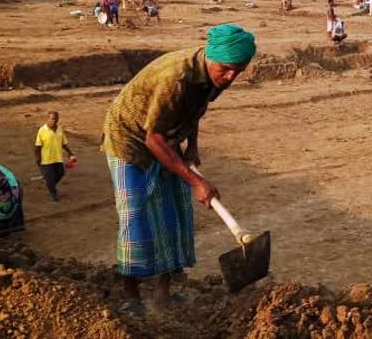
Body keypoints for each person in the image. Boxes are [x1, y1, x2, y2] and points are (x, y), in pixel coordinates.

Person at [101, 23, 256, 315]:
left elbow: (196, 109)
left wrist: (192, 147)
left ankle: (162, 295)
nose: (232, 76)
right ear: (211, 57)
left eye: (239, 70)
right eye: (226, 68)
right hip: (129, 139)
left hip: (167, 137)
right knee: (135, 217)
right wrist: (196, 182)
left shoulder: (216, 77)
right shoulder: (176, 78)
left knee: (172, 215)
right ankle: (131, 296)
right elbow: (152, 138)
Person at [35, 111, 76, 201]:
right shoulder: (42, 130)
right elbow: (38, 146)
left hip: (57, 158)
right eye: (52, 119)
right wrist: (38, 158)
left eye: (56, 119)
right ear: (47, 119)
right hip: (46, 160)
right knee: (50, 178)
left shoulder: (59, 129)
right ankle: (54, 194)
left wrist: (70, 153)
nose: (54, 121)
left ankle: (51, 185)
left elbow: (63, 143)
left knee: (61, 173)